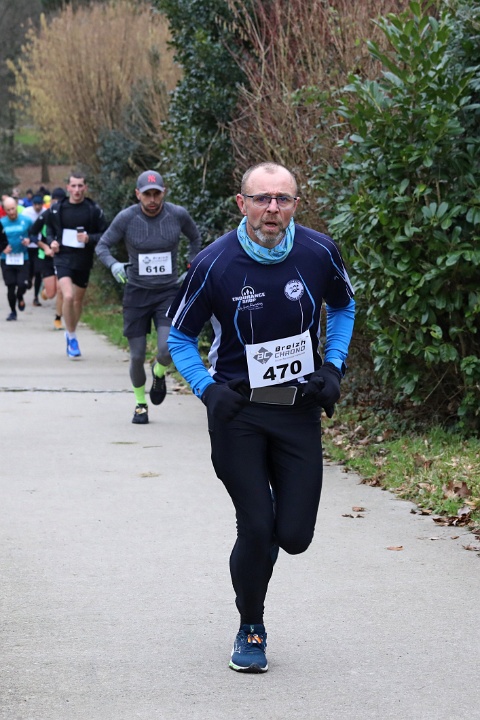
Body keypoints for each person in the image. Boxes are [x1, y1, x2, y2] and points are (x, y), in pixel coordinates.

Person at [167, 162, 355, 673]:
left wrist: (333, 367)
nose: (272, 209)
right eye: (261, 198)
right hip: (239, 413)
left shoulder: (319, 252)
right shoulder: (213, 263)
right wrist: (207, 390)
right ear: (241, 203)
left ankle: (269, 530)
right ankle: (251, 626)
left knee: (293, 536)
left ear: (295, 204)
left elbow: (343, 307)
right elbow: (180, 336)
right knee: (255, 525)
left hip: (297, 411)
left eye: (283, 199)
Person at [96, 170, 201, 424]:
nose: (152, 200)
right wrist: (114, 265)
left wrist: (191, 265)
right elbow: (102, 245)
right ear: (137, 194)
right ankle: (140, 404)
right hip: (136, 293)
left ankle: (159, 371)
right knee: (136, 355)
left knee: (167, 349)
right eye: (147, 194)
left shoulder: (177, 214)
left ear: (164, 192)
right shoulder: (127, 218)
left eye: (156, 194)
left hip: (168, 292)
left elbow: (195, 238)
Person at [45, 173, 108, 358]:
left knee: (77, 301)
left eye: (80, 186)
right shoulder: (57, 208)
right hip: (62, 257)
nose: (77, 190)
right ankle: (72, 337)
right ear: (68, 187)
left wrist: (89, 238)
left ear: (85, 188)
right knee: (68, 295)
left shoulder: (93, 210)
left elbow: (105, 234)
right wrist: (52, 242)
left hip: (83, 259)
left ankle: (70, 330)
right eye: (73, 186)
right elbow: (49, 230)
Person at [31, 187, 67, 329]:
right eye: (55, 201)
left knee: (61, 289)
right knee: (51, 293)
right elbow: (32, 234)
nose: (58, 204)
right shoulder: (46, 215)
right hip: (46, 257)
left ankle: (58, 318)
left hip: (63, 256)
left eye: (60, 201)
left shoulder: (69, 216)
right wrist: (45, 247)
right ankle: (45, 292)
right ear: (51, 201)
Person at [1, 196, 33, 321]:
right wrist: (2, 249)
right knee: (10, 286)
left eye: (13, 209)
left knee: (22, 284)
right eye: (8, 210)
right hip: (6, 259)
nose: (11, 212)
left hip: (23, 258)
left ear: (17, 207)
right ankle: (13, 312)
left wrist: (29, 240)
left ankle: (20, 296)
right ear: (4, 210)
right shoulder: (1, 223)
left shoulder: (27, 220)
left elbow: (34, 234)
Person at [22, 194, 45, 306]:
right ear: (32, 204)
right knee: (29, 270)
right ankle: (29, 280)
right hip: (27, 246)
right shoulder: (26, 212)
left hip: (39, 246)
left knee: (38, 272)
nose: (37, 207)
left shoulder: (46, 212)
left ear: (42, 204)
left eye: (39, 204)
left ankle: (36, 297)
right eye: (35, 204)